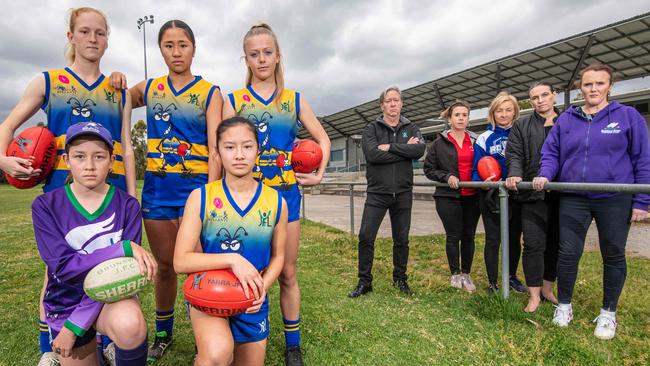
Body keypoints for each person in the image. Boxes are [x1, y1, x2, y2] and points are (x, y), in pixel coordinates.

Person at [0, 8, 136, 364]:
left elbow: (126, 143)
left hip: (112, 190)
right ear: (70, 36)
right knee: (56, 272)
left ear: (108, 39)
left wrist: (133, 194)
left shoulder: (117, 88)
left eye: (100, 33)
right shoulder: (48, 81)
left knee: (112, 268)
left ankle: (105, 336)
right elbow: (8, 123)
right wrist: (3, 159)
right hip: (63, 190)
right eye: (85, 32)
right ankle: (50, 350)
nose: (93, 39)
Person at [109, 19, 223, 362]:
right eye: (169, 45)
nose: (176, 52)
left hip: (196, 194)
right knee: (164, 266)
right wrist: (115, 79)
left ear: (193, 48)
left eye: (183, 44)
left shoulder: (209, 92)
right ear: (160, 49)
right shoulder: (151, 87)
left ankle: (208, 332)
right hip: (157, 193)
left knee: (200, 265)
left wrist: (211, 196)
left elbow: (216, 149)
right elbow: (114, 98)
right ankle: (163, 333)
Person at [222, 23, 330, 366]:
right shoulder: (234, 100)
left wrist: (318, 174)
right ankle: (229, 333)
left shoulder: (294, 100)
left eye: (267, 52)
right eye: (254, 54)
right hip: (243, 201)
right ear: (246, 59)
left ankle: (292, 344)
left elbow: (323, 140)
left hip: (285, 197)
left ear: (278, 55)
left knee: (287, 272)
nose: (261, 59)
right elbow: (220, 149)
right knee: (241, 268)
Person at [533, 63, 650, 340]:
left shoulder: (628, 116)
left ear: (610, 86)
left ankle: (608, 313)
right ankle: (564, 305)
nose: (593, 88)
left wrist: (642, 201)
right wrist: (545, 175)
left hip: (614, 198)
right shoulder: (567, 119)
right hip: (574, 198)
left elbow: (642, 159)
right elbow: (551, 153)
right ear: (580, 88)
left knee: (613, 253)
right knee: (568, 253)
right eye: (588, 84)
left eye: (599, 83)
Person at [31, 122, 157, 365]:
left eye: (99, 157)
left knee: (130, 322)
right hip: (66, 303)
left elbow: (122, 274)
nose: (89, 166)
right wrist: (121, 248)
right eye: (80, 156)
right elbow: (64, 267)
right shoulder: (45, 206)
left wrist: (75, 326)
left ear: (112, 161)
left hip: (111, 299)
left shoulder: (128, 206)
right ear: (66, 160)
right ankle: (95, 348)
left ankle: (109, 344)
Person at [174, 116, 287, 366]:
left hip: (251, 298)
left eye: (247, 146)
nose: (239, 155)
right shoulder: (200, 197)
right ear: (217, 153)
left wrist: (263, 287)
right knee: (217, 354)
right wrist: (232, 260)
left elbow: (279, 256)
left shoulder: (276, 201)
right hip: (209, 291)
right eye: (229, 147)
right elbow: (180, 261)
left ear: (258, 150)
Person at [348, 85, 425, 298]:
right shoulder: (371, 129)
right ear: (382, 105)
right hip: (377, 193)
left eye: (396, 100)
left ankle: (400, 279)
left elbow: (418, 150)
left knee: (402, 239)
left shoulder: (412, 127)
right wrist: (404, 150)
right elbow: (373, 155)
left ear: (401, 103)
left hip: (402, 193)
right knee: (366, 236)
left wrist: (390, 147)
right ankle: (365, 281)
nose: (393, 104)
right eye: (388, 100)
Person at [506, 81, 560, 312]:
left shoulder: (568, 121)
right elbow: (515, 153)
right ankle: (534, 294)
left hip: (562, 194)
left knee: (556, 243)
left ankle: (548, 288)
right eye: (535, 97)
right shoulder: (522, 125)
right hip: (532, 194)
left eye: (545, 95)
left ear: (554, 96)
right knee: (533, 244)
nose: (540, 100)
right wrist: (516, 173)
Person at [471, 91, 525, 295]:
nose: (503, 114)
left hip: (516, 194)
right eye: (499, 110)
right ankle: (493, 282)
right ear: (492, 113)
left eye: (508, 110)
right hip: (491, 195)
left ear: (515, 112)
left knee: (513, 238)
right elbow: (477, 169)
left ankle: (510, 276)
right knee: (493, 239)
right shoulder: (484, 138)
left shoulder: (520, 133)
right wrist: (482, 183)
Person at [423, 100, 480, 292]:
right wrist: (446, 176)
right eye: (457, 115)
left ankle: (466, 273)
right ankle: (455, 273)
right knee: (453, 235)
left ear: (468, 119)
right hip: (448, 197)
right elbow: (429, 169)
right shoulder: (439, 144)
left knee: (469, 236)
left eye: (465, 115)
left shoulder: (475, 140)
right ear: (450, 118)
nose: (461, 118)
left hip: (472, 196)